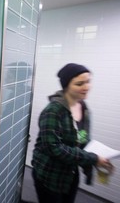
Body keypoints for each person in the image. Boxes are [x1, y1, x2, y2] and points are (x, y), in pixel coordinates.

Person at [31, 63, 112, 203]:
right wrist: (92, 158)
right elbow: (53, 148)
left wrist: (98, 160)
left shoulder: (83, 107)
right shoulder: (53, 111)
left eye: (88, 81)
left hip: (70, 173)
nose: (86, 87)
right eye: (80, 83)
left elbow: (82, 138)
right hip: (50, 175)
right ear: (67, 85)